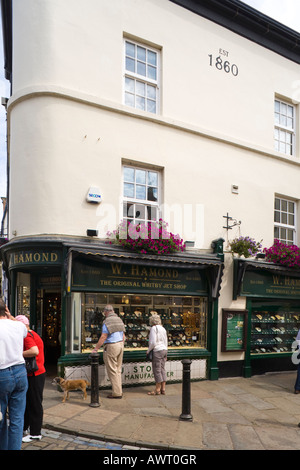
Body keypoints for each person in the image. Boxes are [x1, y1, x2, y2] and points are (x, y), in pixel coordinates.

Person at [0, 300, 28, 450]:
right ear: (6, 309)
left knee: (0, 418)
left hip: (2, 374)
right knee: (17, 419)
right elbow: (25, 330)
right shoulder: (18, 325)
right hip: (20, 372)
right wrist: (10, 316)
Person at [15, 315, 46, 442]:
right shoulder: (32, 333)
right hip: (37, 373)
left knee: (34, 403)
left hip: (35, 374)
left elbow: (34, 351)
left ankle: (35, 432)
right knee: (30, 402)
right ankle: (26, 428)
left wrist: (16, 354)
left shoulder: (27, 336)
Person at [92, 305, 125, 398]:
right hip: (120, 345)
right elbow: (123, 336)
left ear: (106, 312)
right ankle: (119, 391)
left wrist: (96, 349)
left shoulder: (107, 321)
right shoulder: (119, 319)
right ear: (113, 311)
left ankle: (116, 393)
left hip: (112, 346)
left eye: (104, 312)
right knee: (118, 370)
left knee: (112, 370)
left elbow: (103, 336)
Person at [147, 313, 168, 395]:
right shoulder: (163, 329)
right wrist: (166, 354)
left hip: (157, 351)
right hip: (164, 350)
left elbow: (152, 342)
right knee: (162, 369)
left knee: (157, 370)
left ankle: (157, 390)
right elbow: (166, 342)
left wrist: (148, 350)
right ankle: (163, 389)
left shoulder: (153, 328)